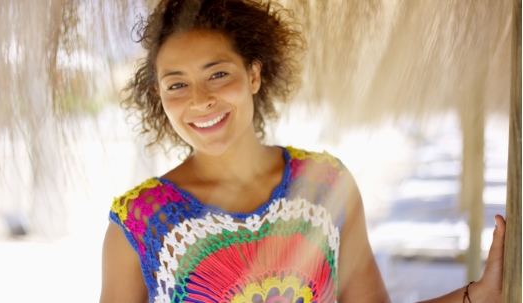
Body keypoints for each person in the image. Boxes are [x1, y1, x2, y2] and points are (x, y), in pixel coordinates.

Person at [100, 1, 506, 302]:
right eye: (177, 84)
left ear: (254, 74)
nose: (199, 99)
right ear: (159, 95)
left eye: (218, 74)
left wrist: (475, 296)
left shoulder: (325, 186)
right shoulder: (140, 225)